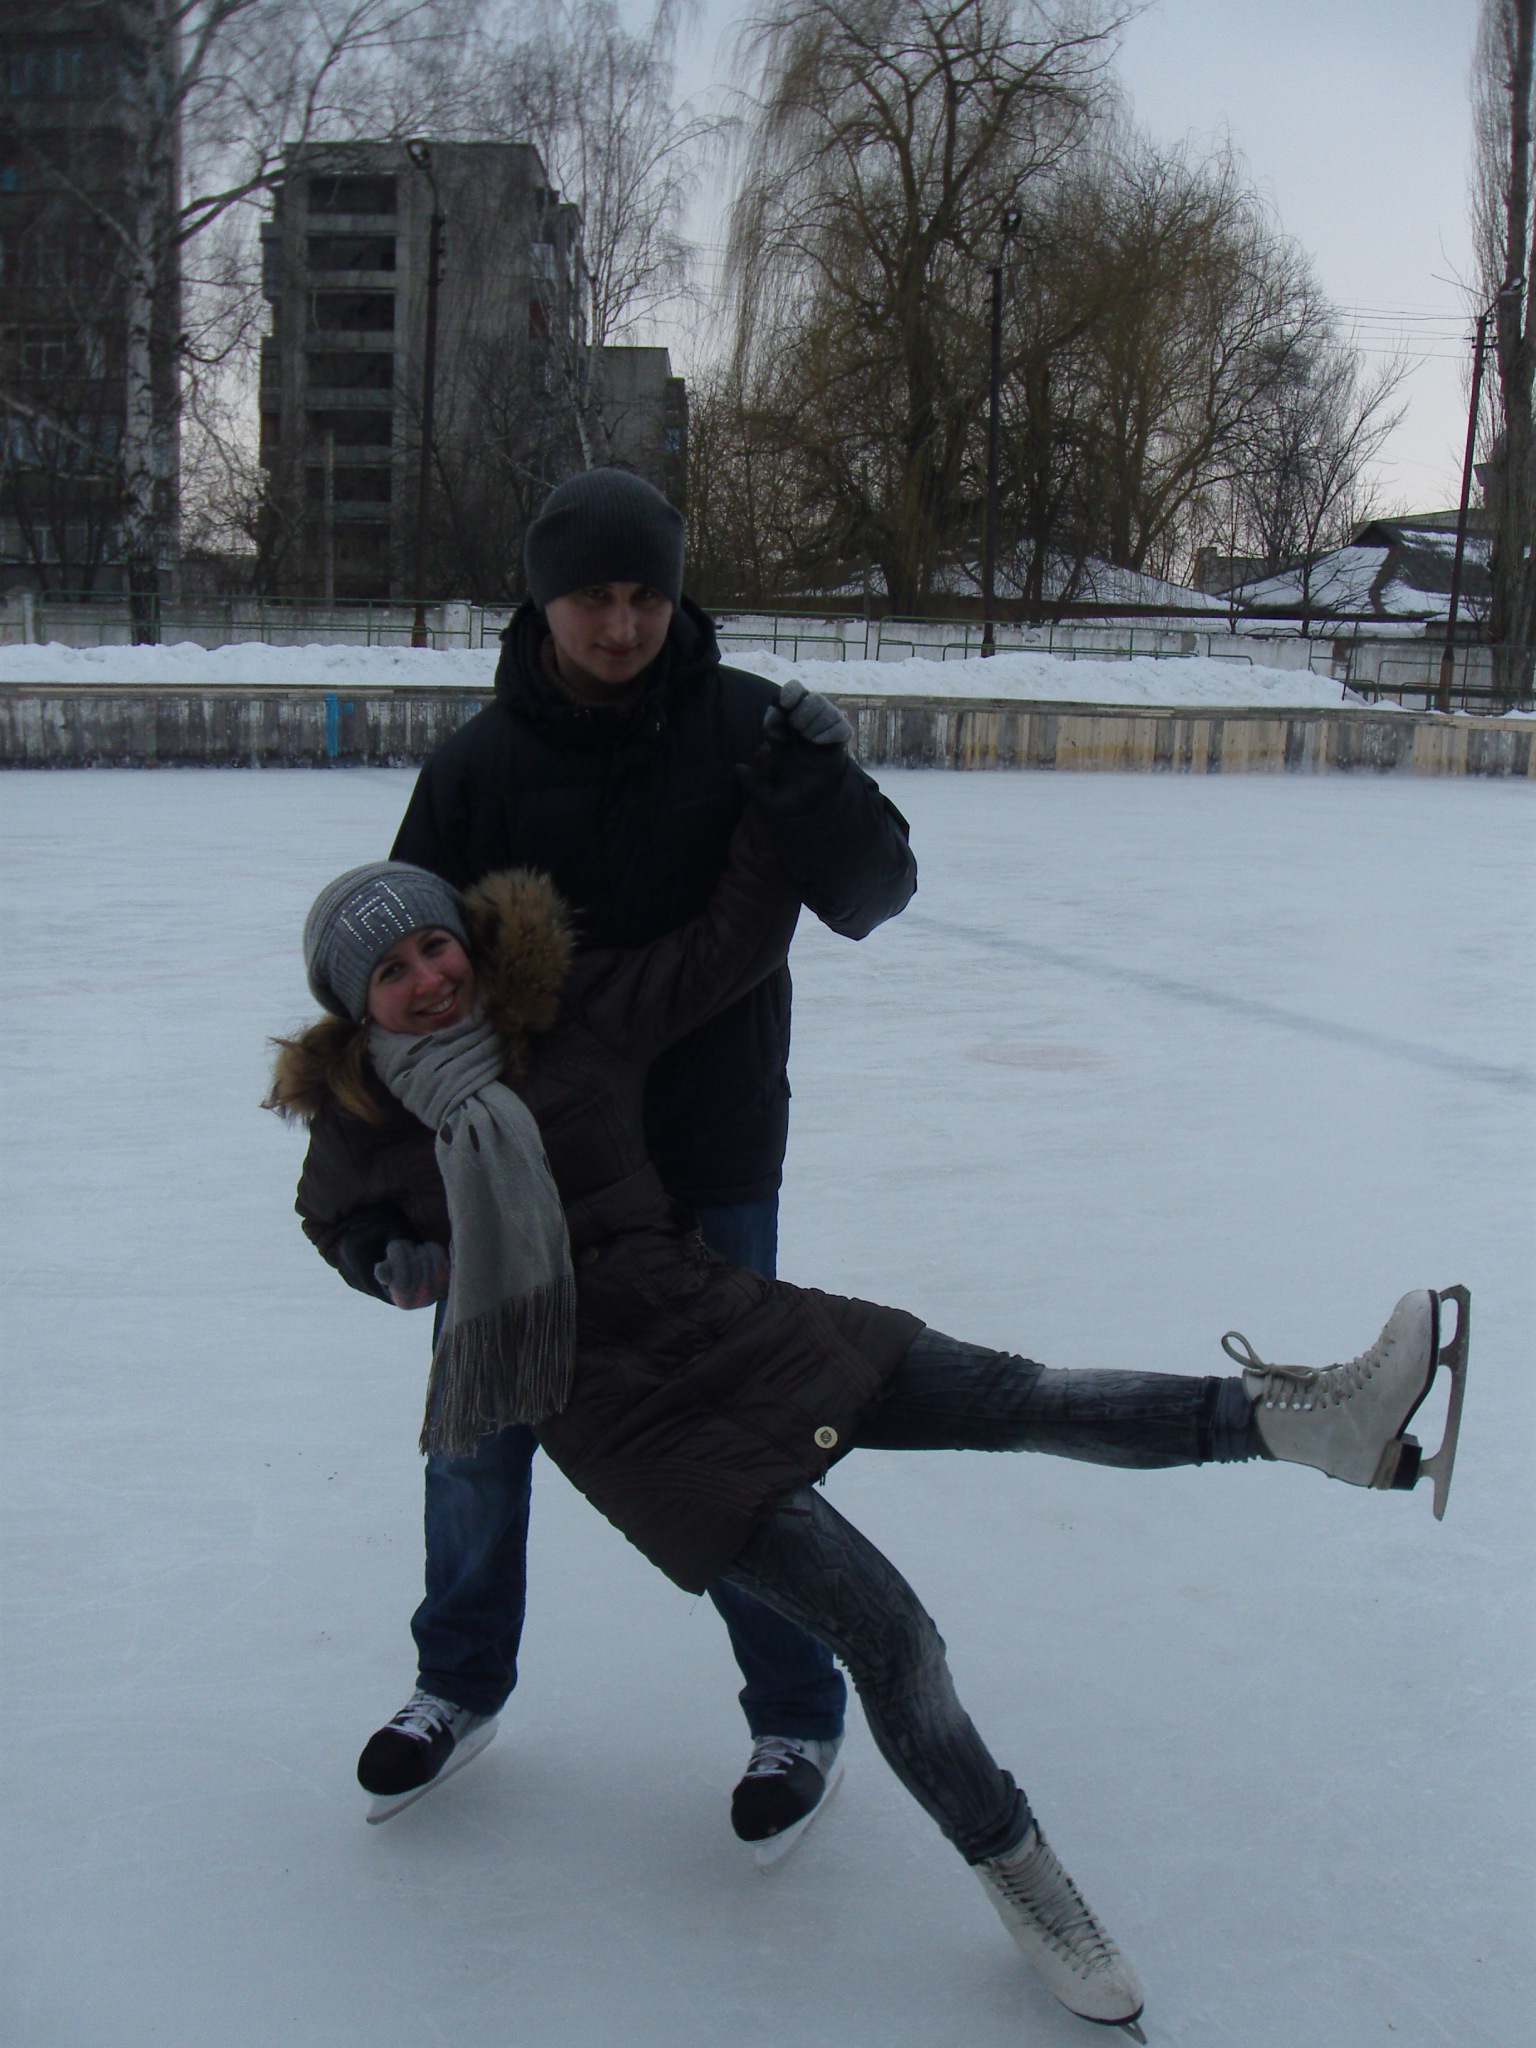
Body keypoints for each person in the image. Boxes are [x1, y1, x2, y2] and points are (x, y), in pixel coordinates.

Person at [271, 818, 1467, 2041]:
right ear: (356, 1005)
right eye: (392, 972)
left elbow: (726, 947)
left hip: (733, 1319)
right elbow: (331, 1215)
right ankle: (1024, 1874)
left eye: (435, 946)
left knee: (1021, 1393)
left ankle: (1310, 1422)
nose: (429, 979)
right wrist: (382, 1253)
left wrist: (787, 792)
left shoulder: (567, 1017)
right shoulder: (362, 1118)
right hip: (634, 1428)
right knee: (893, 1635)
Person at [341, 467, 918, 1838]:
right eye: (592, 597)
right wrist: (377, 1207)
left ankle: (796, 1712)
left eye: (645, 594)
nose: (620, 625)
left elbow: (875, 893)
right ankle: (456, 1682)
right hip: (516, 1169)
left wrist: (824, 792)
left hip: (710, 1152)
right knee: (479, 1437)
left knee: (735, 1440)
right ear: (542, 603)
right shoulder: (476, 768)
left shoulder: (748, 727)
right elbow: (392, 994)